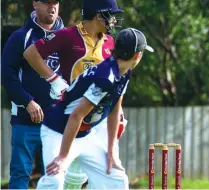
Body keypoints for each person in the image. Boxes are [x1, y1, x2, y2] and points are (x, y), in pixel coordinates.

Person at [34, 28, 154, 189]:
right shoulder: (106, 77)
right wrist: (63, 156)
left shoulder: (124, 73)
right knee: (54, 181)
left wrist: (111, 151)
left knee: (117, 180)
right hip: (57, 132)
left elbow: (114, 109)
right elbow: (76, 115)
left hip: (84, 135)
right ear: (137, 55)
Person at [23, 0, 125, 188]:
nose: (114, 21)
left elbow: (116, 79)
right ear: (99, 15)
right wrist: (53, 78)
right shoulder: (68, 35)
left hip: (99, 118)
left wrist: (117, 110)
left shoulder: (110, 41)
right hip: (71, 115)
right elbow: (31, 53)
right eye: (111, 15)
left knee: (108, 175)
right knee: (63, 176)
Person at [1, 0, 64, 188]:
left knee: (54, 178)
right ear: (35, 3)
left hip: (56, 123)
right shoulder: (20, 37)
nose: (52, 7)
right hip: (25, 120)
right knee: (20, 175)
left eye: (56, 3)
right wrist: (27, 102)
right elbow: (7, 75)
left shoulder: (70, 38)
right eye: (47, 2)